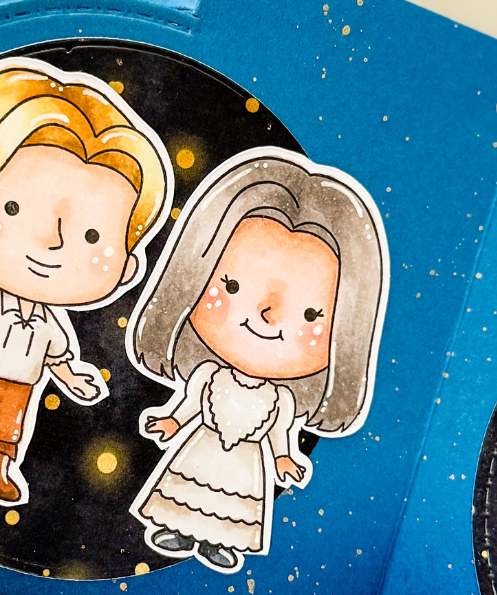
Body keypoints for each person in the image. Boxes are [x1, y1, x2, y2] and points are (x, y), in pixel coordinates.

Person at [0, 58, 171, 505]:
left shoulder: (50, 325)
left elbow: (58, 358)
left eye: (92, 236)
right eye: (13, 209)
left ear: (126, 268)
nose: (53, 241)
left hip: (21, 387)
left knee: (6, 430)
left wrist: (72, 378)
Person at [129, 151, 388, 572]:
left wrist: (284, 457)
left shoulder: (281, 401)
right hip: (202, 446)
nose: (267, 314)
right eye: (231, 286)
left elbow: (282, 434)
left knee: (232, 504)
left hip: (246, 462)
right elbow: (189, 404)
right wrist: (172, 422)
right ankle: (181, 530)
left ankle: (218, 543)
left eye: (311, 315)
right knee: (189, 490)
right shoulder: (207, 374)